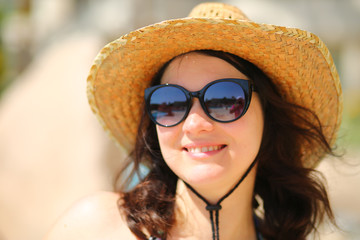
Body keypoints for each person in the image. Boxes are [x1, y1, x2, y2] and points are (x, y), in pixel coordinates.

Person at [44, 2, 342, 240]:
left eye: (225, 99)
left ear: (270, 119)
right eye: (170, 103)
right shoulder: (95, 228)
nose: (195, 124)